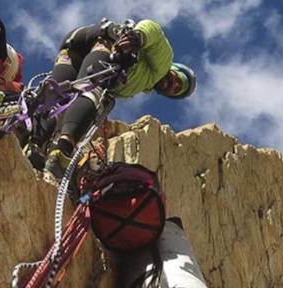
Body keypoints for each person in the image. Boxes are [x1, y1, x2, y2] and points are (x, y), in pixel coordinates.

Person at [26, 18, 196, 179]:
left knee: (55, 100)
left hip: (75, 46)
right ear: (174, 70)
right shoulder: (163, 64)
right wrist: (138, 37)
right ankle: (61, 151)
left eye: (175, 91)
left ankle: (32, 142)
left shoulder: (141, 83)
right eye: (177, 81)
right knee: (90, 93)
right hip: (103, 45)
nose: (172, 86)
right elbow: (154, 31)